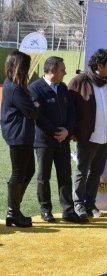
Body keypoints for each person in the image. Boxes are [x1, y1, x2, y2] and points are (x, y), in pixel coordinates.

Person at [30, 56, 87, 223]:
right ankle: (45, 210)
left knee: (65, 176)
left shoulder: (62, 87)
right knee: (44, 176)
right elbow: (38, 117)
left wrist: (67, 131)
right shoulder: (35, 88)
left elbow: (71, 112)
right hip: (44, 141)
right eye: (62, 69)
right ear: (52, 71)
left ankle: (68, 211)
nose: (66, 72)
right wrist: (55, 132)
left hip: (63, 140)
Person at [68, 48, 107, 219]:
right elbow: (69, 109)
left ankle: (90, 203)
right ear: (99, 65)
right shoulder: (79, 80)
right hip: (87, 137)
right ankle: (78, 204)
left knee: (96, 173)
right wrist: (73, 131)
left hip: (105, 136)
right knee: (82, 171)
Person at [1, 50, 39, 227]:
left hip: (20, 134)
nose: (28, 69)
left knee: (28, 170)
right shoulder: (15, 87)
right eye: (26, 66)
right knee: (19, 172)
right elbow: (32, 111)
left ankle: (14, 210)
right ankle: (12, 211)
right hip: (18, 134)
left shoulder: (13, 85)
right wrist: (36, 104)